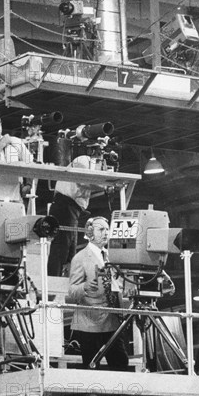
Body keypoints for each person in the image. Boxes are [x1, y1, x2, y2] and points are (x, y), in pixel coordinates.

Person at [67, 216, 128, 372]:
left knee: (121, 363)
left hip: (111, 320)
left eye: (107, 229)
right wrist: (85, 287)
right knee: (91, 367)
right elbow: (72, 291)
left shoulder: (113, 257)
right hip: (89, 323)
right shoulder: (80, 258)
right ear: (90, 232)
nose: (105, 233)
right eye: (101, 229)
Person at [47, 154, 106, 277]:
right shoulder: (83, 160)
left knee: (70, 249)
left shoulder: (90, 166)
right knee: (61, 246)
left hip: (73, 208)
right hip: (65, 205)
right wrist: (105, 186)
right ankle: (54, 280)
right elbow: (82, 181)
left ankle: (66, 280)